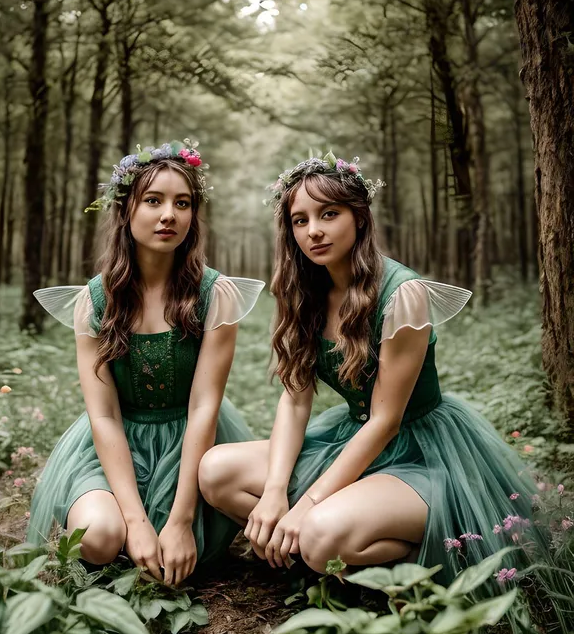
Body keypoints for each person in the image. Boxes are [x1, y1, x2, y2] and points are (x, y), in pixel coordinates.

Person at [198, 152, 540, 584]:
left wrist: (305, 506)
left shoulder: (403, 294)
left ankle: (437, 552)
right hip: (349, 438)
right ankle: (313, 539)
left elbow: (385, 421)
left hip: (417, 452)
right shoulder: (306, 290)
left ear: (359, 217)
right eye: (300, 221)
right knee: (215, 471)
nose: (314, 230)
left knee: (320, 535)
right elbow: (295, 399)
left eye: (329, 214)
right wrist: (273, 493)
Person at [27, 140, 264, 586]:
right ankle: (120, 524)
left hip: (189, 440)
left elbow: (204, 407)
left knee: (177, 552)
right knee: (99, 537)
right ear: (126, 211)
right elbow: (104, 413)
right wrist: (136, 521)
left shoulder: (216, 294)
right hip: (114, 443)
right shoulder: (93, 301)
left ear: (194, 216)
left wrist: (180, 520)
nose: (168, 215)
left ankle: (175, 522)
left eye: (182, 203)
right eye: (153, 201)